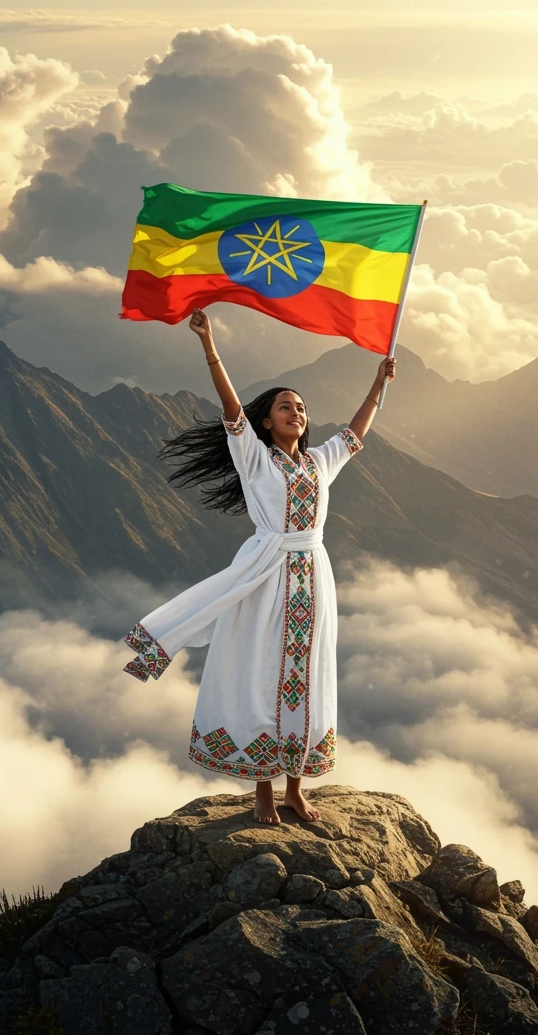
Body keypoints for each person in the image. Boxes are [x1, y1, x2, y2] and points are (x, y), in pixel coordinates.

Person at [121, 306, 396, 826]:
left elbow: (356, 433)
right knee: (261, 669)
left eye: (301, 407)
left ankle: (295, 786)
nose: (296, 412)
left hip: (313, 575)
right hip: (266, 572)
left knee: (306, 671)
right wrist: (209, 345)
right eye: (284, 406)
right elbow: (230, 409)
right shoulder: (254, 457)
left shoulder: (319, 463)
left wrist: (378, 384)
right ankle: (263, 790)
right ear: (266, 421)